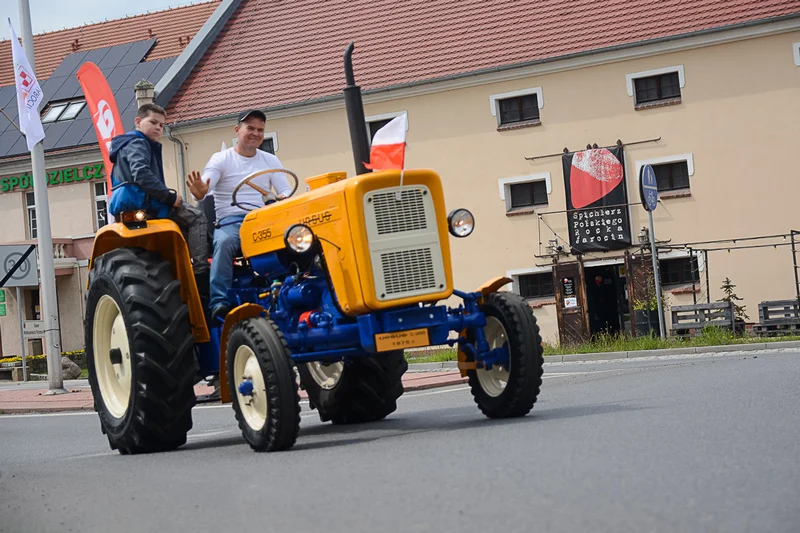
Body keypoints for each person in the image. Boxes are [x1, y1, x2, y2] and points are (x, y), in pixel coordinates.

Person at [186, 109, 293, 324]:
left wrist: (283, 196)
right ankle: (218, 302)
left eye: (260, 130)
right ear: (237, 130)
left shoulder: (270, 160)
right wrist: (199, 190)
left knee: (297, 237)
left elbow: (285, 191)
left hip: (263, 218)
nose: (255, 133)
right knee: (225, 242)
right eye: (250, 128)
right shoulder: (222, 159)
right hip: (232, 220)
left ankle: (289, 287)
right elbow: (204, 187)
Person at [108, 103, 211, 298]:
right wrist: (169, 197)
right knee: (197, 218)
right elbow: (141, 174)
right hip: (146, 203)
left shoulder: (125, 144)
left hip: (134, 201)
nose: (158, 128)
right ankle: (200, 273)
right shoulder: (138, 142)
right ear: (138, 121)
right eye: (153, 122)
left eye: (162, 125)